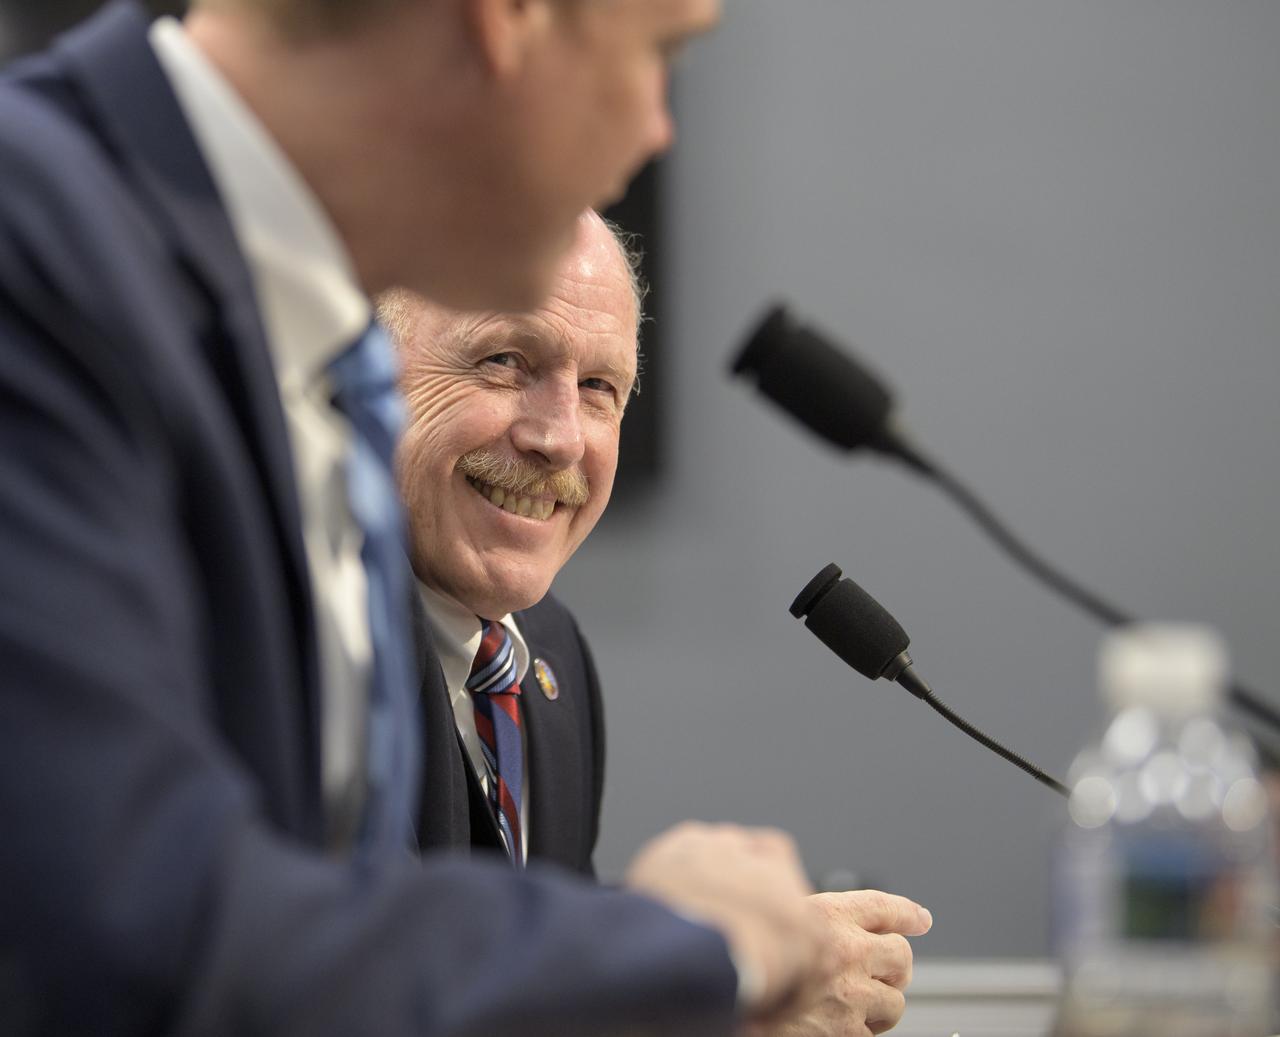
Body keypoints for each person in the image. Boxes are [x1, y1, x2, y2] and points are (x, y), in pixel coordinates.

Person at [0, 1, 841, 1034]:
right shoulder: (34, 255)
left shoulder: (267, 339)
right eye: (657, 53)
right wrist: (682, 944)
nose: (656, 129)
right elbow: (130, 932)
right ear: (508, 21)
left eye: (599, 389)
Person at [384, 209, 934, 1036]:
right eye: (504, 361)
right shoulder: (293, 647)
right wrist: (690, 994)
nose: (560, 437)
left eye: (600, 388)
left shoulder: (549, 661)